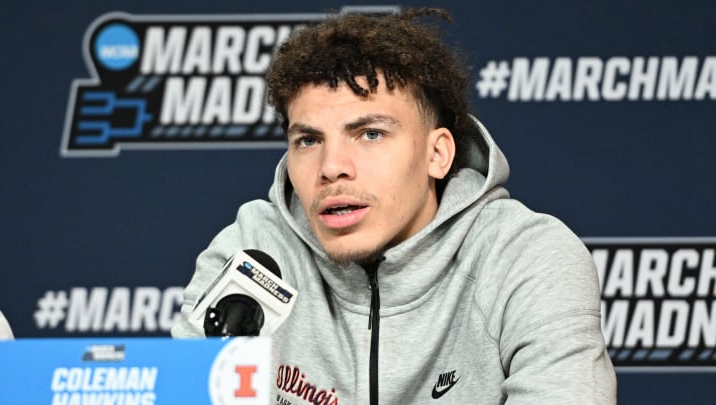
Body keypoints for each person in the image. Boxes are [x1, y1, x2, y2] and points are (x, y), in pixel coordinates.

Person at [172, 7, 616, 404]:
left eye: (370, 134)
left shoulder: (525, 257)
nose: (331, 168)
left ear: (437, 154)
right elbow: (183, 397)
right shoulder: (255, 252)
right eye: (308, 140)